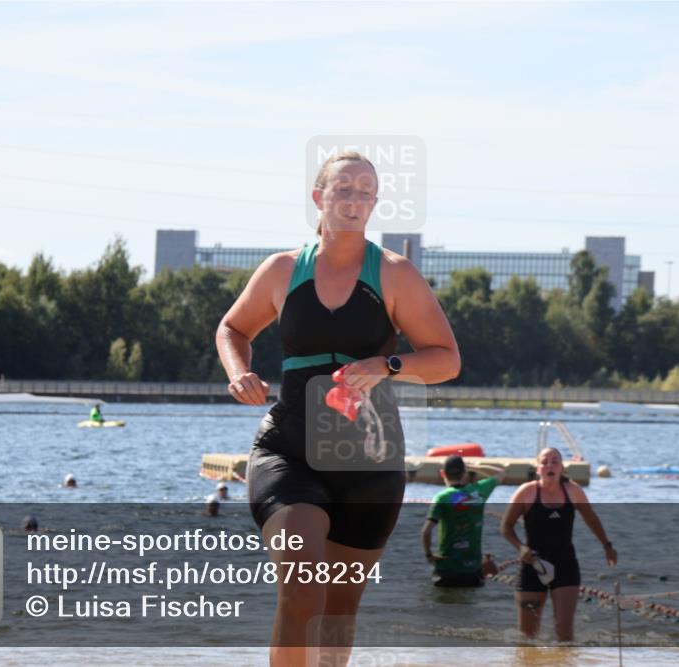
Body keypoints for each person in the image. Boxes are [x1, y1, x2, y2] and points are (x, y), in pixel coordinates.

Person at [216, 150, 461, 666]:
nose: (353, 199)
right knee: (303, 581)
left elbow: (446, 361)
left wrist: (388, 364)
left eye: (364, 191)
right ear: (318, 198)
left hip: (369, 463)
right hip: (290, 450)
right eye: (342, 188)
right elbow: (232, 329)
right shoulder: (282, 270)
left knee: (339, 610)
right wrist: (240, 372)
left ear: (374, 203)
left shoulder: (395, 275)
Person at [500, 447, 617, 642]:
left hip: (565, 564)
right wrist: (520, 547)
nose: (549, 466)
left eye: (555, 461)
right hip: (533, 565)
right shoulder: (527, 492)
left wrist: (607, 545)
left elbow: (592, 519)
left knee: (564, 631)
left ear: (562, 467)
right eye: (544, 462)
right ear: (538, 469)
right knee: (527, 636)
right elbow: (506, 526)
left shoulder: (573, 490)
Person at [421, 455, 506, 587]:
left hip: (447, 568)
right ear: (464, 472)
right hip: (472, 568)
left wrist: (428, 555)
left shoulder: (442, 497)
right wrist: (472, 467)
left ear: (443, 473)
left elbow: (426, 531)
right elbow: (501, 472)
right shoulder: (479, 491)